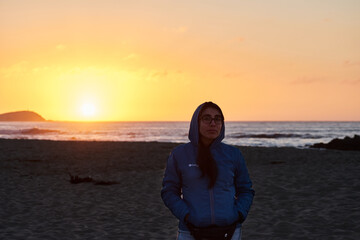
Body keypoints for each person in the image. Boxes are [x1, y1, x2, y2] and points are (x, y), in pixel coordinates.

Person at [161, 102, 255, 240]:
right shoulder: (179, 154)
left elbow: (246, 189)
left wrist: (238, 213)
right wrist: (187, 215)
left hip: (230, 231)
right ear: (196, 122)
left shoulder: (233, 154)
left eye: (217, 119)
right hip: (190, 232)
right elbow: (169, 191)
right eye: (206, 118)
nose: (213, 123)